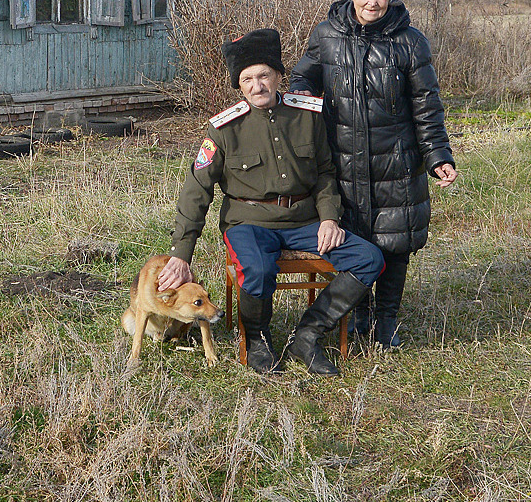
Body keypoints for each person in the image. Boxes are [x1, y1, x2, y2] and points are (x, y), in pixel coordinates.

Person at [158, 28, 384, 375]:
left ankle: (308, 335)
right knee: (259, 270)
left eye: (264, 75)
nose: (256, 86)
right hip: (248, 223)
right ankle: (258, 338)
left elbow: (325, 172)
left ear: (279, 76)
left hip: (305, 221)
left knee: (368, 258)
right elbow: (196, 189)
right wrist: (181, 253)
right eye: (247, 79)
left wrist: (329, 218)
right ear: (239, 85)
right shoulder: (223, 129)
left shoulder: (307, 115)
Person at [289, 0, 457, 350]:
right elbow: (303, 76)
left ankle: (387, 323)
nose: (373, 1)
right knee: (356, 239)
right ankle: (359, 317)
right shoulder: (327, 34)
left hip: (396, 161)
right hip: (343, 159)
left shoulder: (410, 42)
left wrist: (439, 156)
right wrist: (301, 100)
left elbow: (426, 105)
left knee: (396, 243)